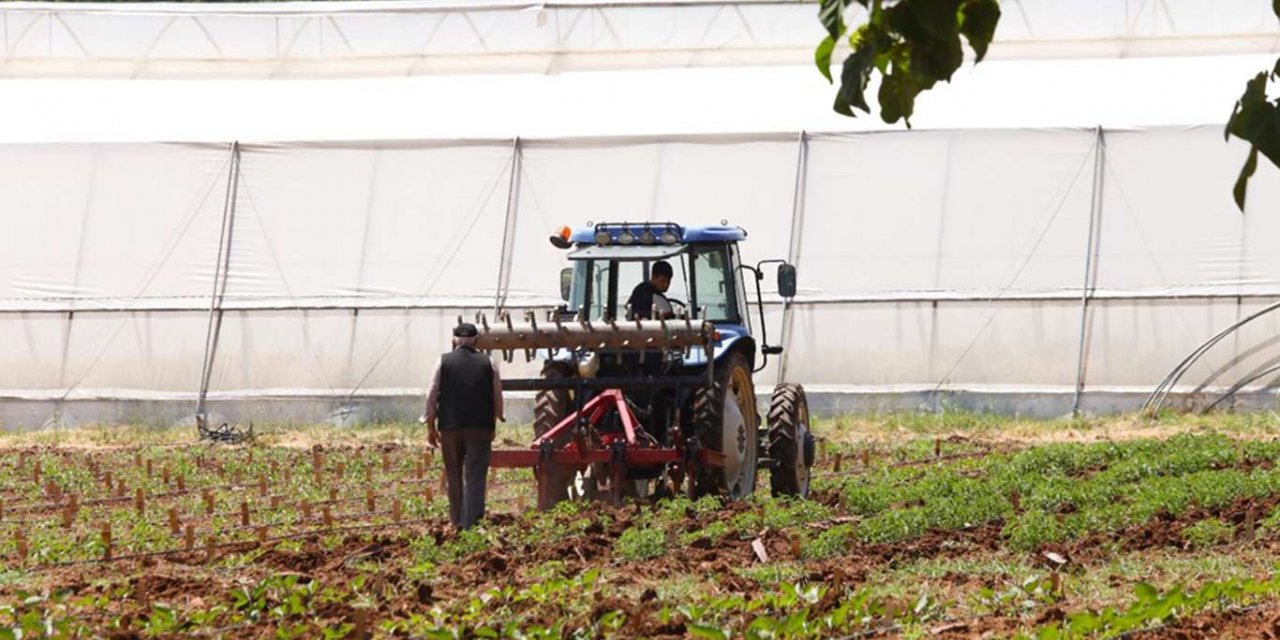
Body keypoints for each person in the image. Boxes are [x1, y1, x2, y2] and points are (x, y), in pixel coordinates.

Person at [422, 322, 504, 529]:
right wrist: (495, 420)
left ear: (454, 340)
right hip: (480, 427)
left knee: (454, 475)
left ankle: (455, 521)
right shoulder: (489, 362)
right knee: (475, 476)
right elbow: (497, 396)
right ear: (476, 340)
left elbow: (432, 393)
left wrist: (430, 426)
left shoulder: (443, 362)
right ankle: (472, 525)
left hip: (449, 427)